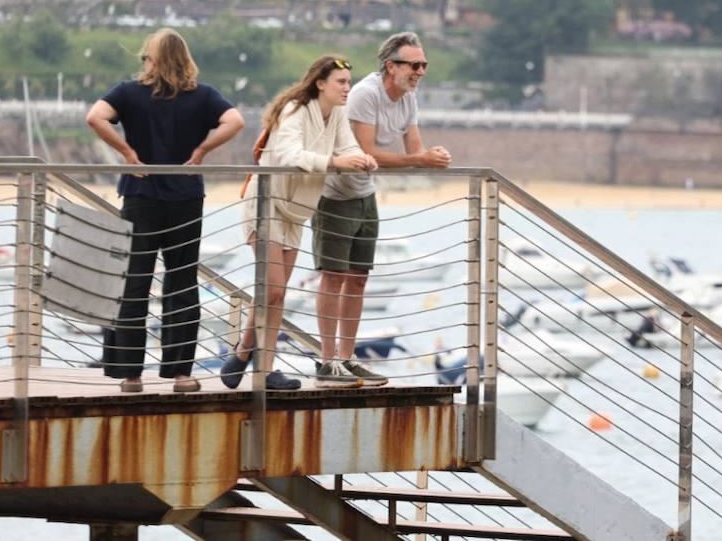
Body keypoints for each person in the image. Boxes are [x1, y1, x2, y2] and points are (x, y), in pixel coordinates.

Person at [86, 29, 244, 394]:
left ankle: (131, 375)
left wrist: (127, 153)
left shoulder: (129, 92)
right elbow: (235, 121)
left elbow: (95, 117)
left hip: (141, 194)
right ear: (186, 59)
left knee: (134, 283)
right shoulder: (202, 96)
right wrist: (202, 150)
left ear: (150, 58)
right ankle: (180, 374)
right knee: (182, 283)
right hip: (186, 195)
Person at [220, 55, 378, 391]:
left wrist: (362, 159)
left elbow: (348, 144)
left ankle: (245, 351)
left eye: (349, 83)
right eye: (341, 82)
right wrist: (337, 162)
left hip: (295, 212)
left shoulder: (335, 114)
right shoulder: (294, 110)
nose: (347, 88)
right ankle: (264, 369)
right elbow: (291, 155)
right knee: (274, 288)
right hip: (266, 204)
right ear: (320, 82)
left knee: (275, 293)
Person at [314, 31, 451, 386]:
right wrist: (419, 159)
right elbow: (365, 153)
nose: (420, 71)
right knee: (333, 277)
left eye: (424, 64)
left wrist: (430, 157)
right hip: (334, 193)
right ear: (391, 65)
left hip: (365, 193)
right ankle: (328, 361)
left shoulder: (408, 97)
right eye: (414, 64)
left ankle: (347, 357)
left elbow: (414, 151)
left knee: (359, 278)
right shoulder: (365, 94)